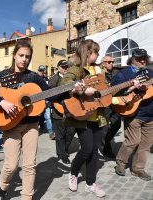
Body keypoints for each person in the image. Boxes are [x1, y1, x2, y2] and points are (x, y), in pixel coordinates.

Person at [0, 40, 57, 200]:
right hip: (11, 125)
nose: (24, 59)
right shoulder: (2, 76)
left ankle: (27, 197)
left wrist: (71, 90)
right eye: (21, 55)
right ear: (14, 56)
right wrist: (1, 102)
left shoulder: (34, 77)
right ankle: (3, 188)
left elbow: (51, 94)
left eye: (27, 56)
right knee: (11, 166)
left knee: (30, 164)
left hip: (31, 124)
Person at [61, 39, 106, 197]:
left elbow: (104, 88)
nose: (98, 55)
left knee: (94, 151)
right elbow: (65, 83)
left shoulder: (99, 70)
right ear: (88, 52)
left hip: (98, 116)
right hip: (83, 116)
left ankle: (90, 183)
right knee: (86, 149)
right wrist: (83, 90)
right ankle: (73, 173)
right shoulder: (75, 68)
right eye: (96, 52)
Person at [112, 48, 153, 181]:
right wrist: (132, 87)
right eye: (139, 58)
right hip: (133, 112)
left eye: (144, 58)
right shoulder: (123, 73)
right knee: (133, 141)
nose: (142, 61)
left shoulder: (150, 72)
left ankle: (138, 169)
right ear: (133, 59)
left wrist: (146, 87)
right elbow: (114, 92)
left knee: (146, 144)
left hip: (150, 114)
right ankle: (121, 163)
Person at [48, 60, 75, 164]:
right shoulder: (53, 79)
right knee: (60, 135)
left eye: (67, 67)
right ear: (59, 67)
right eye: (64, 67)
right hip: (58, 111)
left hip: (71, 110)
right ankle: (62, 154)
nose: (66, 69)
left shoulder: (71, 77)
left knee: (71, 132)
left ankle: (64, 150)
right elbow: (50, 95)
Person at [100, 56, 121, 159]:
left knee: (117, 124)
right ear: (103, 63)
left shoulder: (117, 73)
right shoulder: (99, 74)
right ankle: (106, 149)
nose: (111, 63)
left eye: (112, 61)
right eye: (109, 62)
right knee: (104, 128)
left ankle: (105, 141)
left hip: (116, 102)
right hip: (104, 104)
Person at [37, 65, 55, 140]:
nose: (41, 72)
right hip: (37, 101)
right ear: (38, 70)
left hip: (46, 101)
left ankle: (51, 133)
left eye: (42, 71)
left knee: (47, 117)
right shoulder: (34, 78)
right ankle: (39, 129)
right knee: (37, 118)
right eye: (40, 71)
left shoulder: (46, 79)